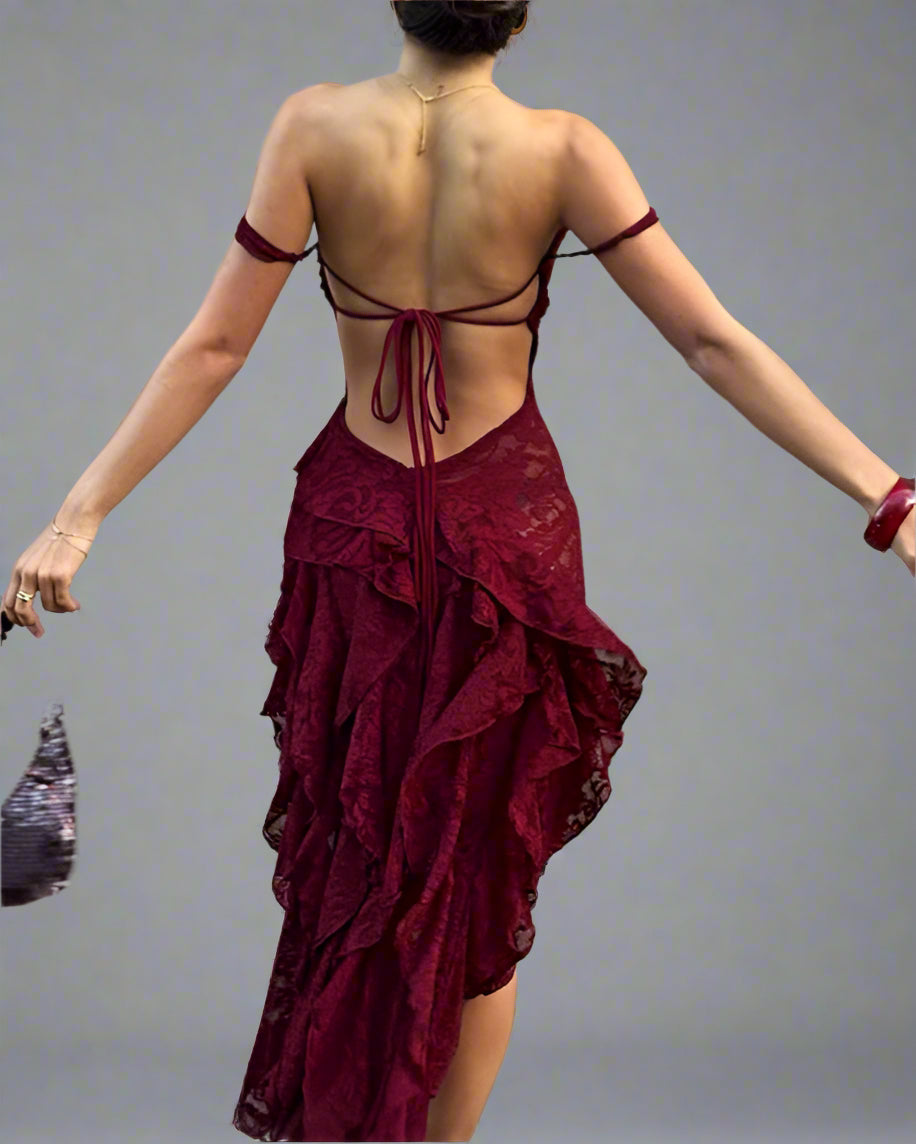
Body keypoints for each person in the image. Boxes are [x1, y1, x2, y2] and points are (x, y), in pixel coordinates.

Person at [3, 1, 913, 1140]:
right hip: (503, 537)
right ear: (516, 16)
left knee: (358, 858)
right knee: (472, 884)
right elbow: (711, 340)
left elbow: (216, 345)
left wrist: (78, 515)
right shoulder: (563, 149)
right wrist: (888, 496)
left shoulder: (313, 127)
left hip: (353, 526)